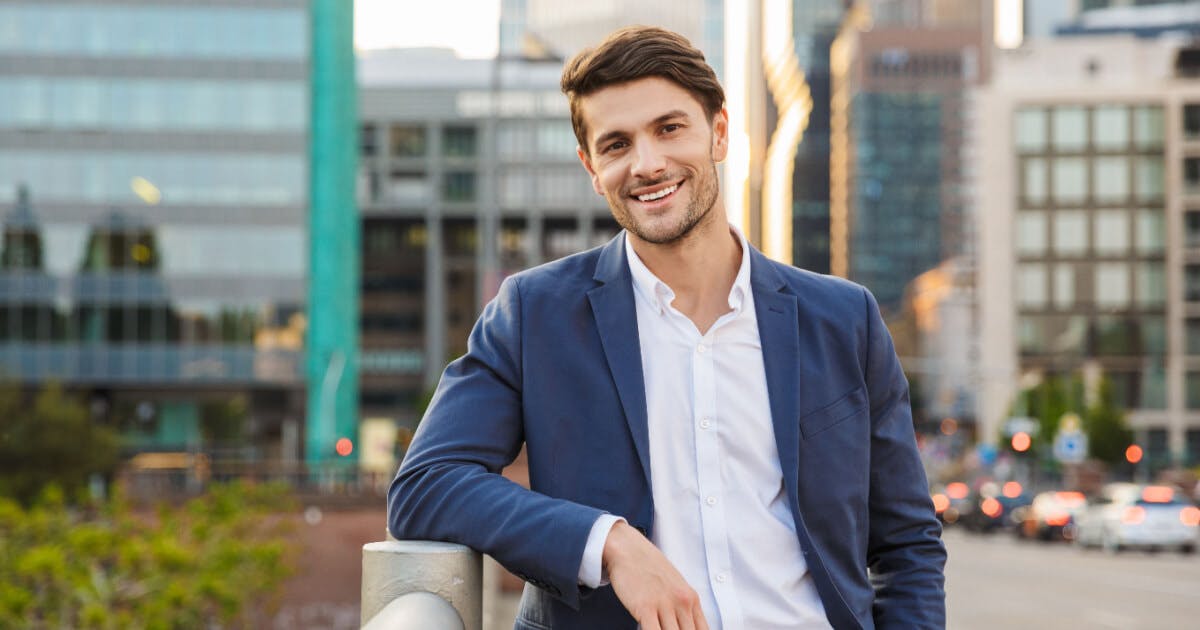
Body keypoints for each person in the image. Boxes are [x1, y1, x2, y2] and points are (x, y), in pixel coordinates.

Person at [388, 25, 946, 630]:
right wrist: (608, 543)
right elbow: (426, 485)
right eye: (617, 144)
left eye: (669, 128)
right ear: (591, 167)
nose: (647, 164)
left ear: (721, 133)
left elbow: (907, 543)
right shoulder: (534, 313)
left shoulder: (845, 319)